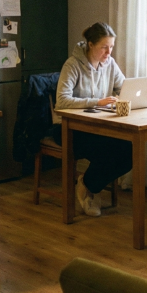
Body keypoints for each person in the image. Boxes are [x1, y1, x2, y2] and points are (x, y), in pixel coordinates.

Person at [55, 22, 128, 217]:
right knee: (109, 150)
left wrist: (125, 97)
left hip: (99, 126)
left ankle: (87, 184)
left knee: (129, 150)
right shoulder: (72, 65)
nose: (108, 52)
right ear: (90, 44)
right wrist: (98, 102)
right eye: (104, 47)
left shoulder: (109, 64)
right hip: (71, 129)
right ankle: (89, 188)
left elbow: (123, 87)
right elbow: (61, 101)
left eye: (111, 47)